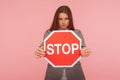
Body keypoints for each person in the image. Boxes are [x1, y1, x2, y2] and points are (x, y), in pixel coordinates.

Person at [35, 5, 91, 80]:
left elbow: (83, 48)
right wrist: (39, 51)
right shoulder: (49, 33)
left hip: (75, 72)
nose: (63, 22)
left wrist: (85, 51)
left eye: (66, 19)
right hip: (53, 73)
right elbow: (43, 47)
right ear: (56, 20)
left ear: (70, 19)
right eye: (60, 19)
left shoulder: (77, 33)